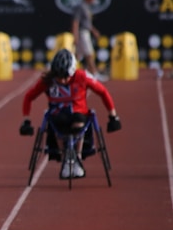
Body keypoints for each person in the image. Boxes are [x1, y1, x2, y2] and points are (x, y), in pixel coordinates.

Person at [19, 48, 121, 179]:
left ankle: (77, 156)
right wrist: (26, 120)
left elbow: (103, 92)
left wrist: (113, 116)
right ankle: (64, 158)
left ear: (72, 72)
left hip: (79, 115)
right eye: (58, 76)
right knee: (58, 122)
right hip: (58, 115)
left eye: (65, 77)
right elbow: (29, 96)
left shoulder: (82, 76)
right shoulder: (48, 80)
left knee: (78, 121)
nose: (62, 81)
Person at [71, 0, 105, 81]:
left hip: (86, 32)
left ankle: (68, 72)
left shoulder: (87, 7)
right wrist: (75, 35)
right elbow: (76, 22)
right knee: (89, 54)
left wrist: (94, 31)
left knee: (78, 55)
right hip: (82, 33)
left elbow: (87, 23)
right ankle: (94, 73)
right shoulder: (80, 7)